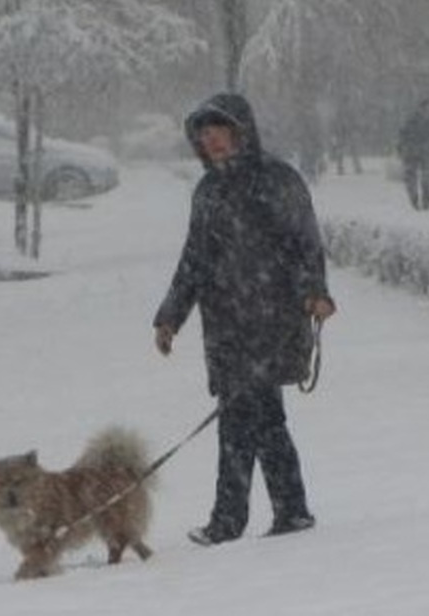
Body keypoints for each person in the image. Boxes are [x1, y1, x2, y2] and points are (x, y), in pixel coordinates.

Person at [152, 92, 337, 546]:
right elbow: (193, 259)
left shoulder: (277, 179)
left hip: (273, 317)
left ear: (241, 131)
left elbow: (305, 241)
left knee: (246, 416)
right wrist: (170, 315)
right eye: (205, 133)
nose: (212, 140)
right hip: (226, 325)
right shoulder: (209, 191)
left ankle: (234, 519)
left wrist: (316, 292)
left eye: (220, 131)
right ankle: (284, 511)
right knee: (258, 416)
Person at [396, 99, 429, 210]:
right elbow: (402, 134)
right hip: (411, 153)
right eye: (424, 108)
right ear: (420, 109)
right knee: (411, 178)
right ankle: (414, 199)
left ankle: (426, 201)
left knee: (428, 179)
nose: (426, 111)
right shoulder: (411, 120)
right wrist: (400, 148)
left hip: (427, 154)